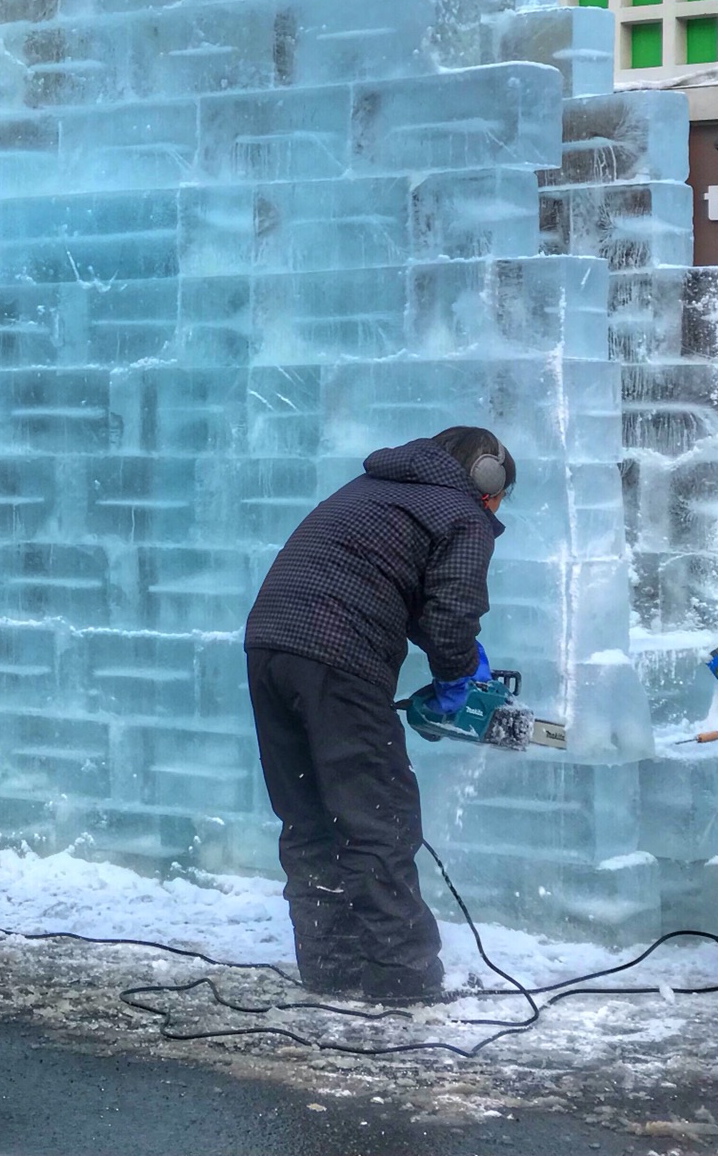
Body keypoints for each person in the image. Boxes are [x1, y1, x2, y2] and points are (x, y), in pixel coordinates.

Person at [242, 426, 513, 1005]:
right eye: (498, 496)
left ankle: (331, 969)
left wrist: (456, 662)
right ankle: (403, 979)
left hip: (269, 649)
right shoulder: (462, 514)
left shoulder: (372, 490)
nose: (494, 508)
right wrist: (456, 676)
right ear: (486, 480)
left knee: (310, 817)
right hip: (340, 656)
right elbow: (450, 614)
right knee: (377, 822)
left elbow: (387, 584)